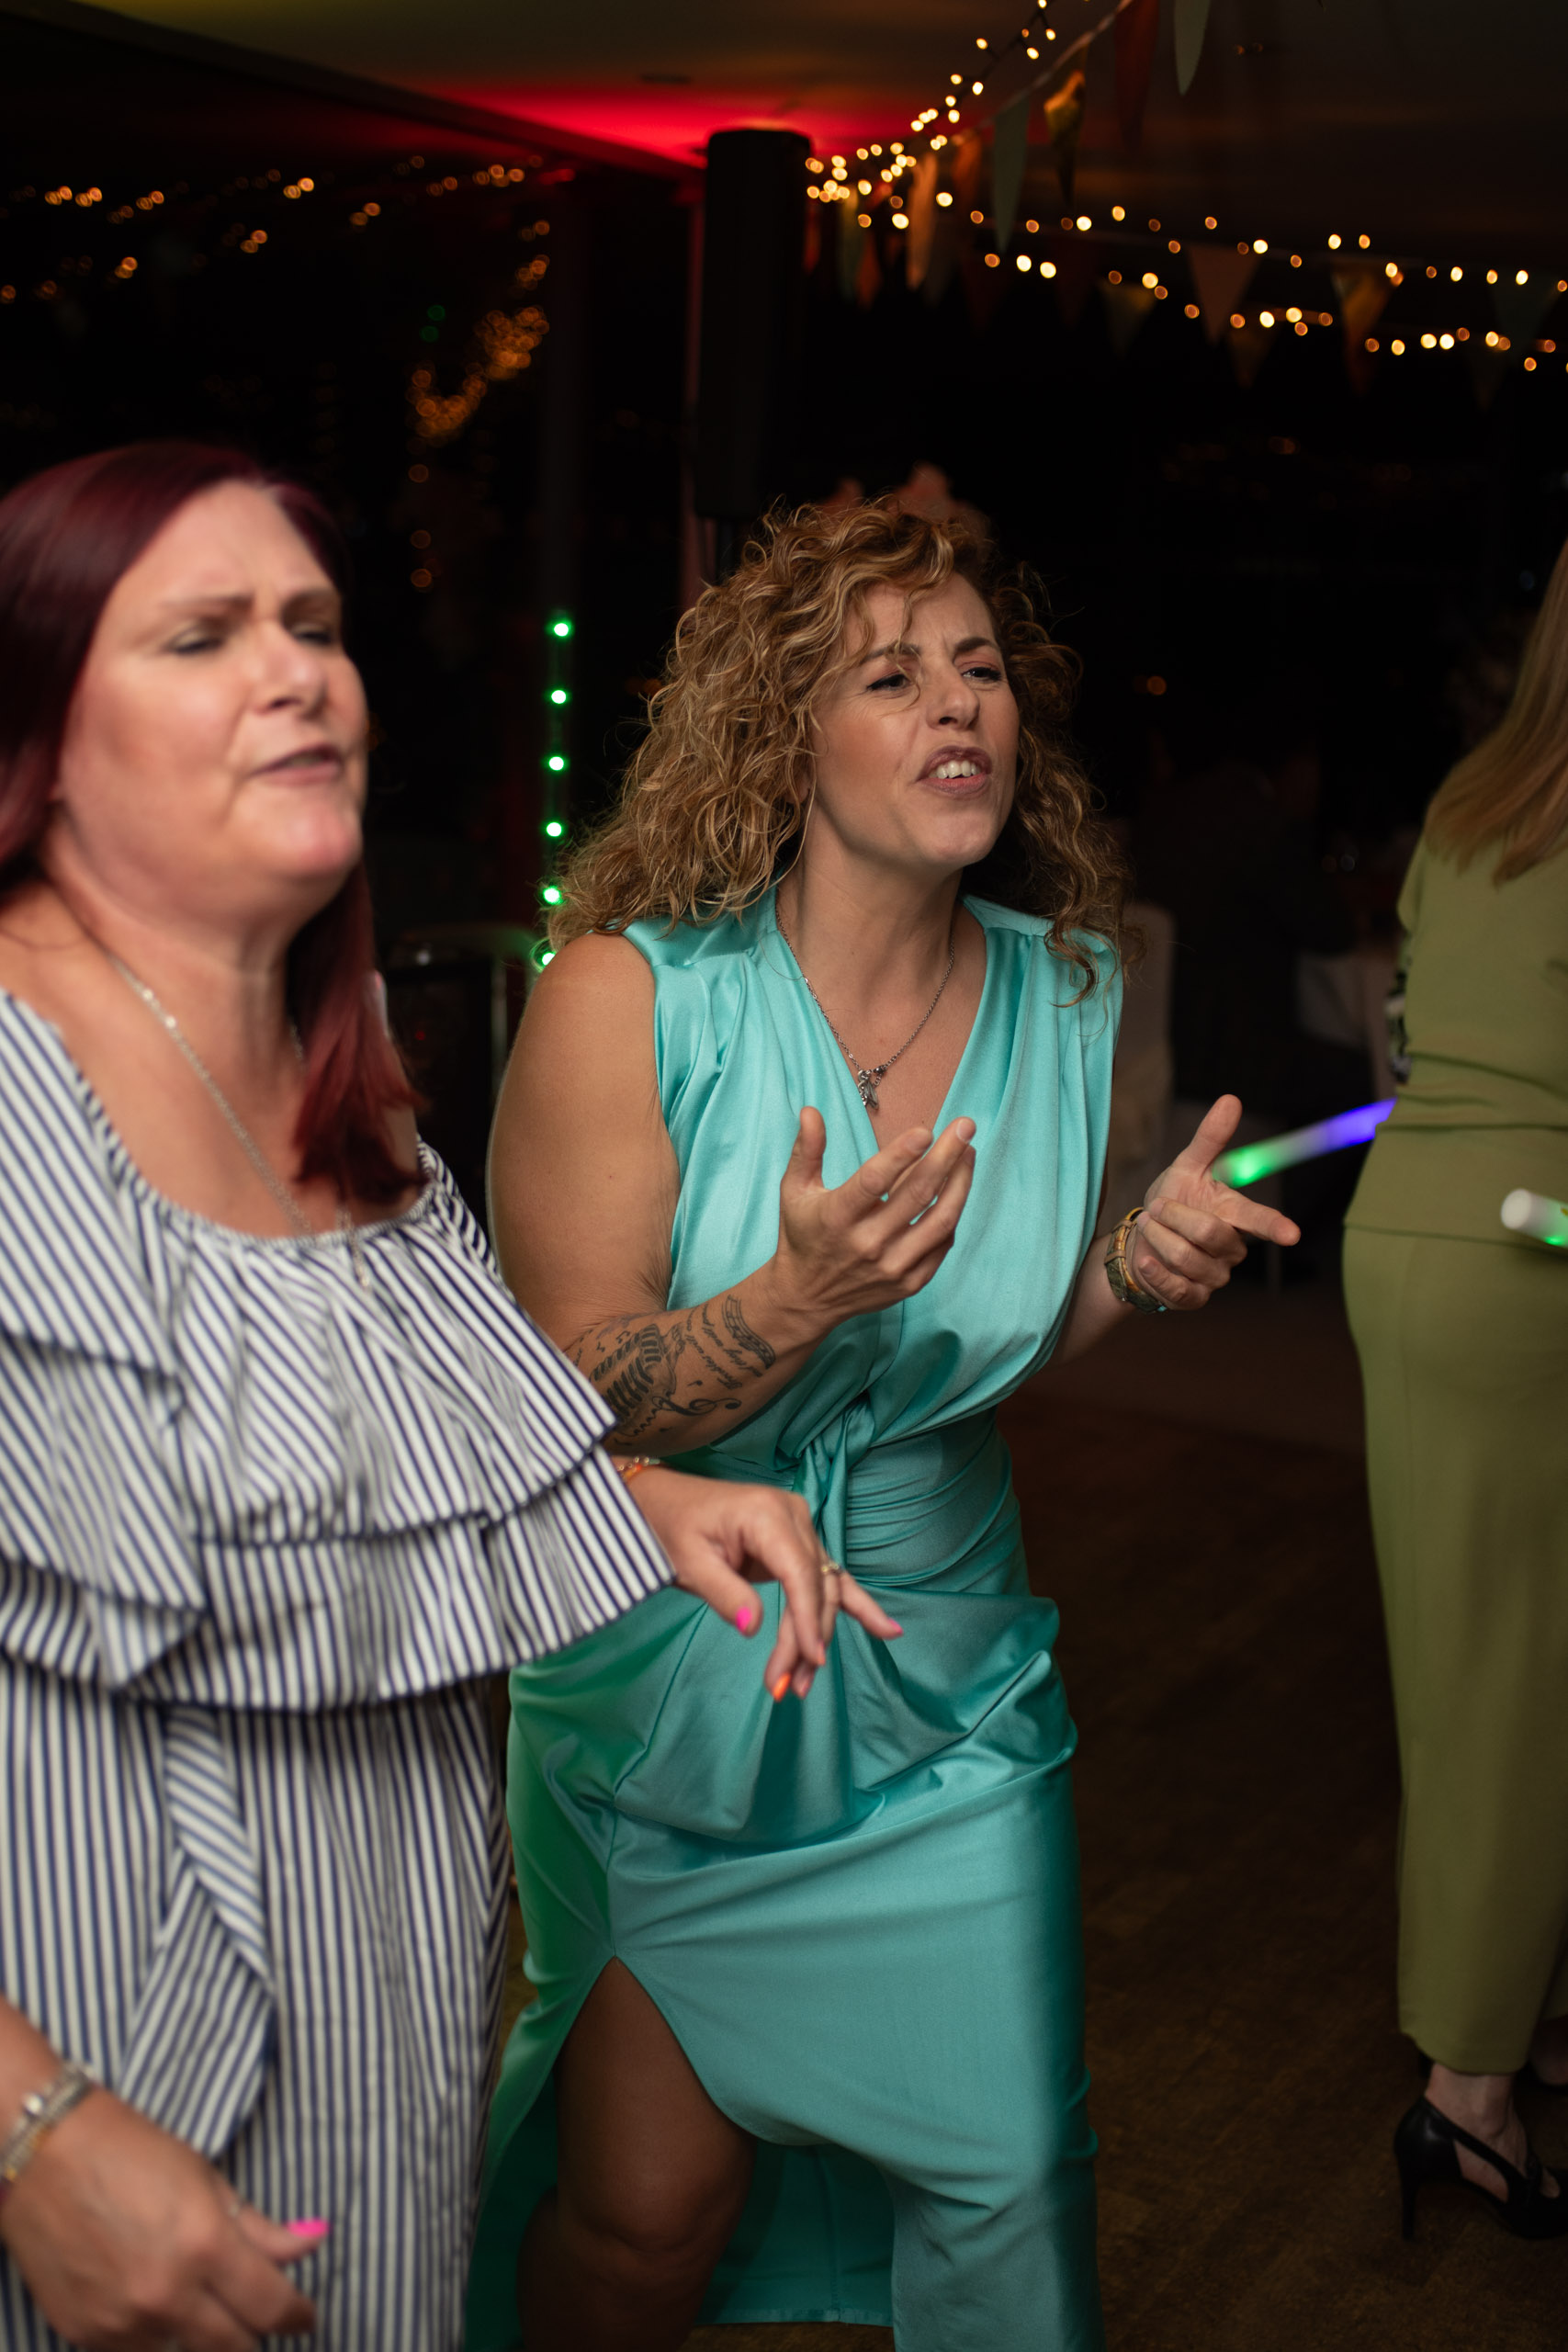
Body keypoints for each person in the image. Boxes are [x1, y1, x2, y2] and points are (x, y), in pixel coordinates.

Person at [0, 441, 867, 2352]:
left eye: (314, 625)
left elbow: (352, 1436)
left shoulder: (344, 1077)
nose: (296, 673)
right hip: (91, 2062)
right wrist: (32, 2133)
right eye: (203, 635)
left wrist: (636, 1498)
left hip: (383, 2030)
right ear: (39, 739)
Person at [468, 501, 1296, 2351]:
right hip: (676, 1659)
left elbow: (988, 1331)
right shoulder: (628, 996)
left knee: (1008, 2183)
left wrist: (1129, 1265)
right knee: (646, 2218)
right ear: (783, 739)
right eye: (891, 675)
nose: (958, 705)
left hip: (949, 1669)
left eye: (979, 668)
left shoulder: (1067, 990)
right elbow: (568, 1391)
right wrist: (791, 1299)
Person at [1345, 534, 1568, 2240]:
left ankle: (1522, 2019)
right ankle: (1471, 2091)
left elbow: (1412, 1034)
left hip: (1410, 1227)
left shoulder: (1476, 799)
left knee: (1459, 1661)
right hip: (1533, 1252)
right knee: (1517, 1680)